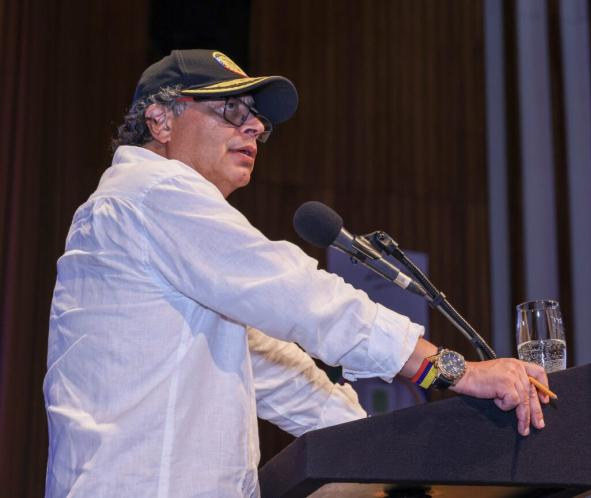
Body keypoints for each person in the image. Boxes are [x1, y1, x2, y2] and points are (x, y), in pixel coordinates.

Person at [43, 49, 550, 497]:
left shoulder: (164, 237)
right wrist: (452, 370)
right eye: (231, 110)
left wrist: (394, 460)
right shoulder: (153, 195)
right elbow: (297, 294)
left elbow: (281, 374)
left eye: (258, 120)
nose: (255, 127)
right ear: (160, 120)